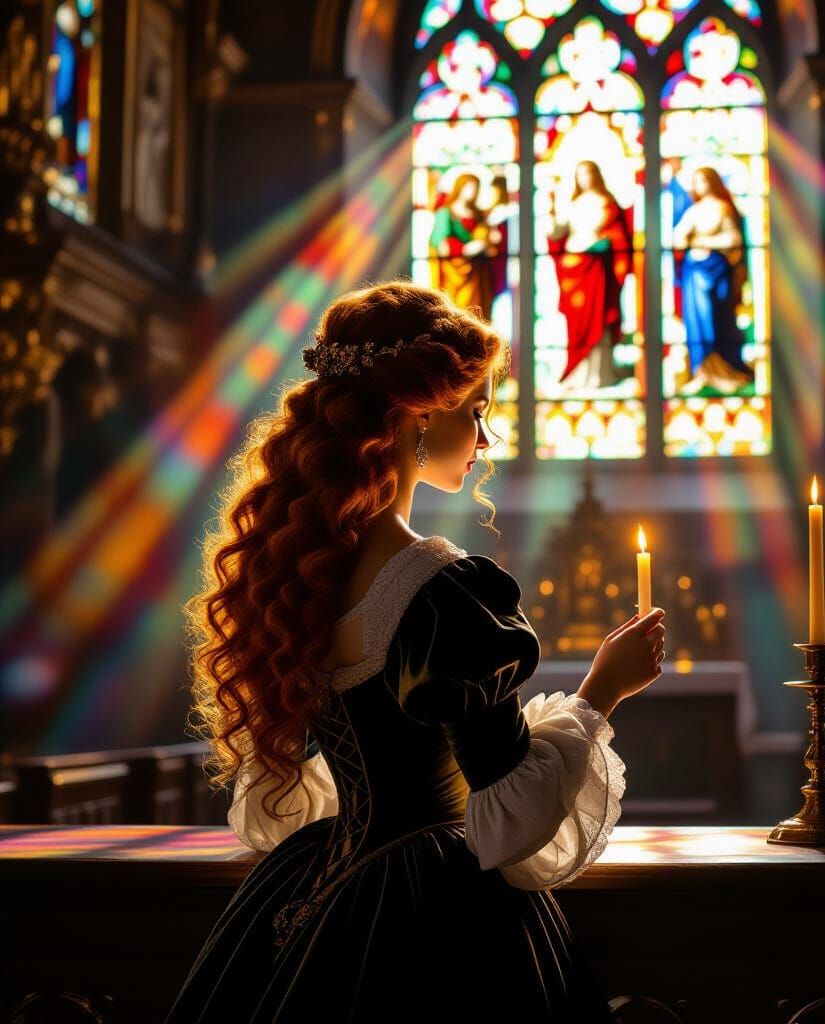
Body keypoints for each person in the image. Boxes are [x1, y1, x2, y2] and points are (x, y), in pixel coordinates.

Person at [163, 280, 667, 1023]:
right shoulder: (446, 590)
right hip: (439, 914)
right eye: (479, 412)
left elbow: (292, 799)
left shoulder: (303, 570)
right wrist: (604, 690)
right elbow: (508, 819)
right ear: (419, 418)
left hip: (323, 887)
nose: (488, 441)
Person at [548, 160, 633, 390]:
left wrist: (603, 244)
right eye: (580, 174)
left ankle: (599, 375)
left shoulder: (607, 204)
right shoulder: (572, 205)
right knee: (577, 323)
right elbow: (557, 234)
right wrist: (553, 210)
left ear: (596, 175)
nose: (584, 178)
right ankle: (578, 373)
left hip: (597, 269)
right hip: (574, 270)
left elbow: (618, 239)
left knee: (598, 319)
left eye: (588, 173)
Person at [674, 166, 754, 395]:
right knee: (697, 323)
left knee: (716, 319)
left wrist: (708, 242)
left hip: (717, 272)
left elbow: (734, 238)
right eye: (698, 180)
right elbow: (678, 237)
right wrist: (691, 241)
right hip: (695, 273)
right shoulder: (694, 211)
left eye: (706, 179)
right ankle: (702, 371)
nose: (703, 184)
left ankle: (724, 370)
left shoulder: (724, 209)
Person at [428, 172, 498, 320]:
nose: (472, 192)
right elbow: (440, 244)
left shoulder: (479, 215)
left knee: (478, 312)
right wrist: (466, 250)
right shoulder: (446, 213)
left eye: (476, 188)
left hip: (477, 273)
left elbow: (489, 240)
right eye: (469, 187)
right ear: (460, 187)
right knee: (457, 312)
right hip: (454, 272)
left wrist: (486, 242)